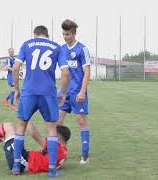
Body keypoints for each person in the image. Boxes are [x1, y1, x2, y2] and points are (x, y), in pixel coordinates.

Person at [12, 25, 70, 177]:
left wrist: (16, 89)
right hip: (48, 93)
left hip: (29, 91)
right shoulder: (57, 47)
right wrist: (62, 93)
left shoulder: (27, 44)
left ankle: (16, 166)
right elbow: (65, 73)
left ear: (35, 34)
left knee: (21, 126)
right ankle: (51, 169)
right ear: (47, 35)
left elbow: (16, 68)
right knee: (51, 128)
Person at [0, 120, 71, 174]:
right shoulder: (64, 151)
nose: (49, 135)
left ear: (58, 138)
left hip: (21, 161)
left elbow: (34, 135)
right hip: (24, 158)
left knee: (8, 127)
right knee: (5, 135)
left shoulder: (56, 148)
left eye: (52, 134)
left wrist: (26, 115)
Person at [58, 19, 91, 164]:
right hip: (64, 92)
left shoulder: (82, 49)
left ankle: (85, 155)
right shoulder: (61, 49)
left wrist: (82, 91)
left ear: (74, 33)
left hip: (78, 92)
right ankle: (61, 153)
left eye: (68, 34)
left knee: (81, 121)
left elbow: (87, 72)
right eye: (64, 34)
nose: (65, 37)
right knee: (58, 122)